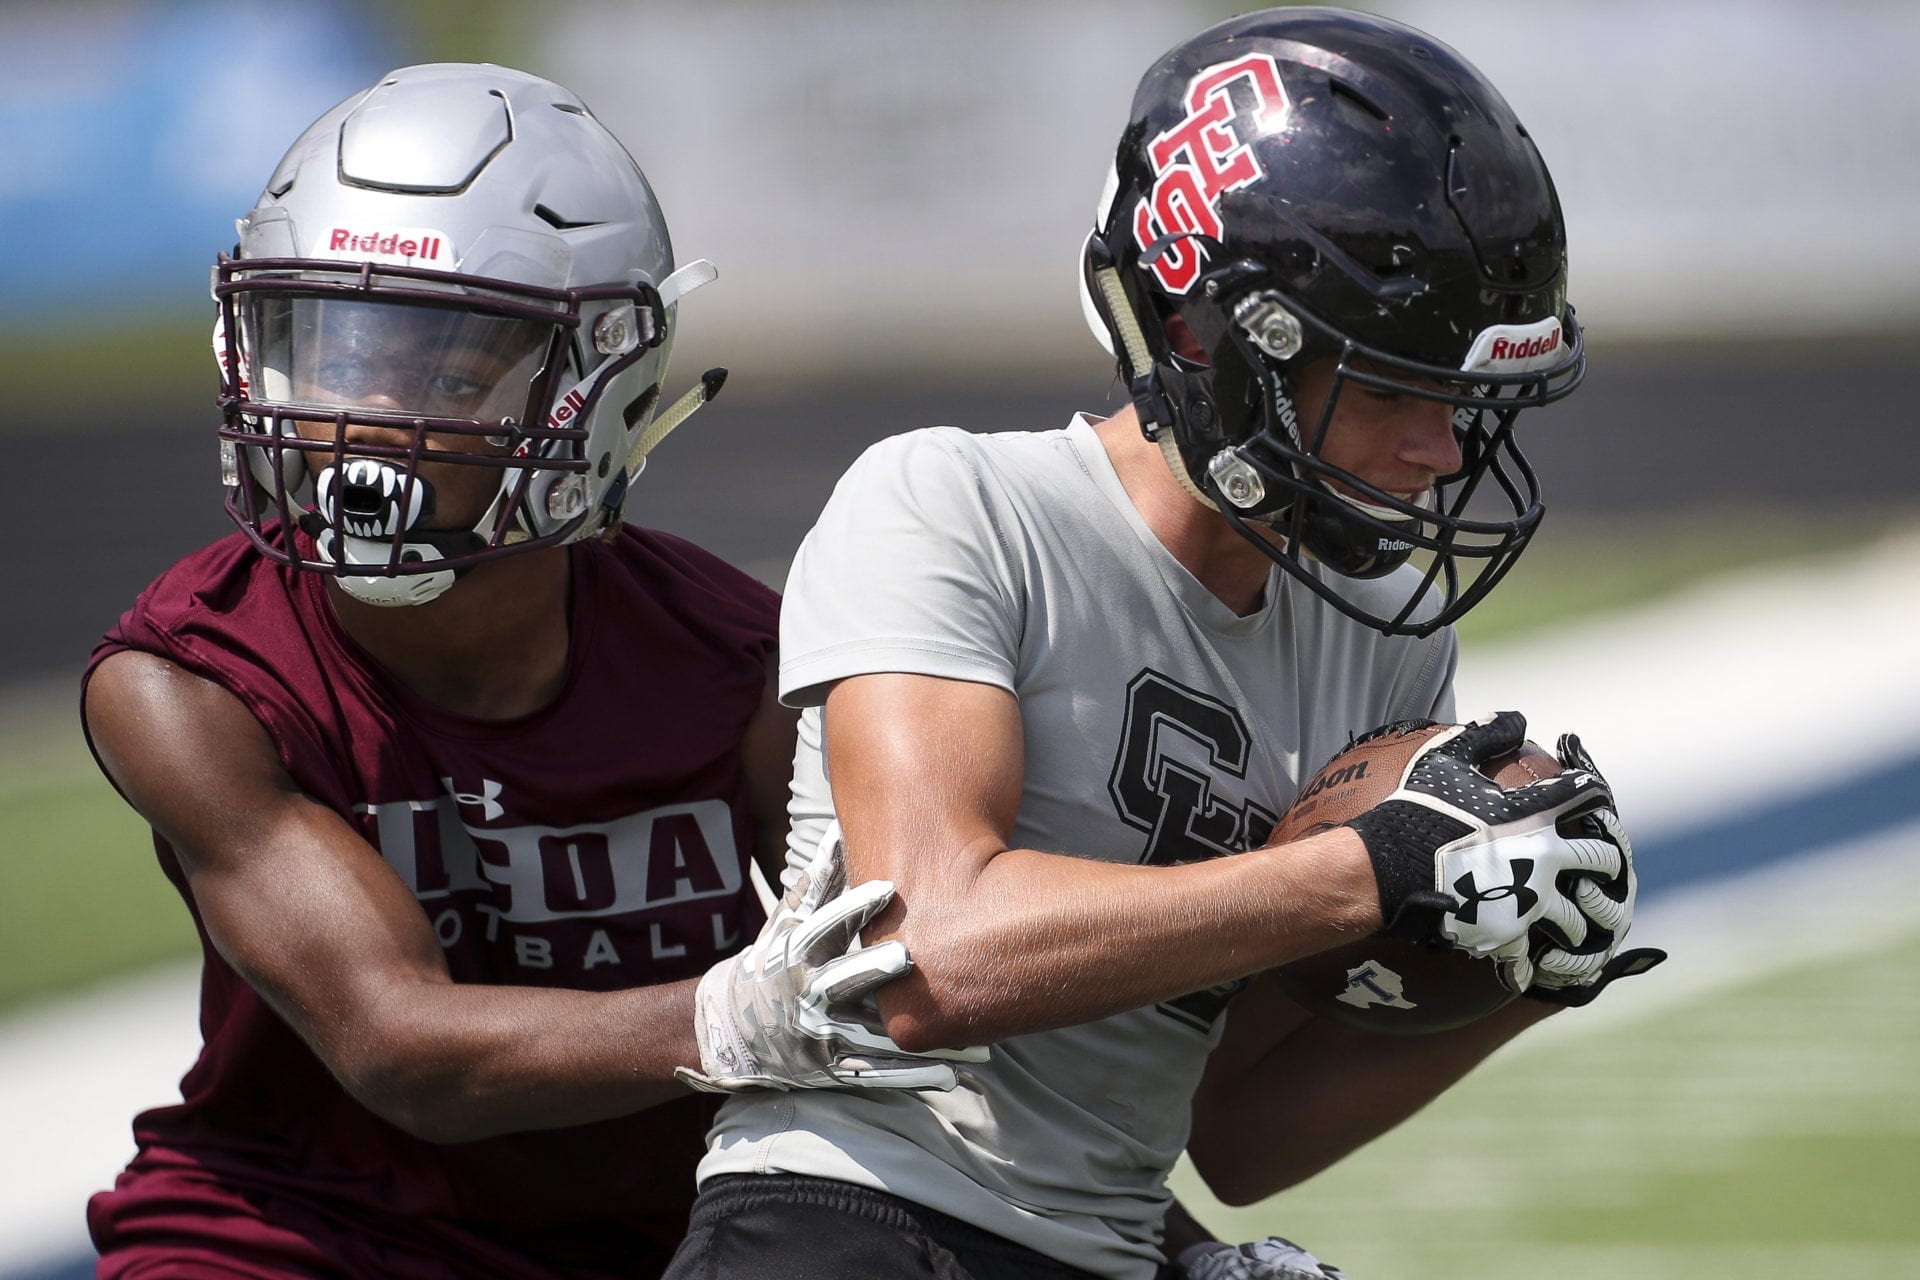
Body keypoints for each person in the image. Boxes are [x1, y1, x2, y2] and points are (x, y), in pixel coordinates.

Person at [667, 10, 1663, 1280]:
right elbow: (925, 957)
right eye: (1395, 387)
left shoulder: (1385, 634)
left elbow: (1236, 1128)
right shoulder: (953, 502)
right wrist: (1368, 871)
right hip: (845, 1219)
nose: (1442, 450)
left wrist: (1518, 973)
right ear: (1206, 339)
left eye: (1462, 400)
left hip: (1110, 1248)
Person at [79, 62, 950, 1280]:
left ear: (601, 384)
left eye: (447, 371)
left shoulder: (744, 662)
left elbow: (935, 971)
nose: (366, 420)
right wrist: (737, 1014)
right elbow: (403, 1047)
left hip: (664, 1241)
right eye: (328, 351)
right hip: (296, 1237)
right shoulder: (192, 677)